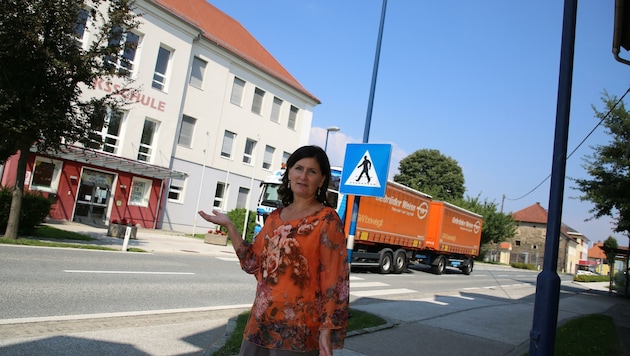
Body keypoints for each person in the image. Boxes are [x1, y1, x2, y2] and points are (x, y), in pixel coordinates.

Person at [198, 145, 349, 356]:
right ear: (289, 173)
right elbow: (251, 262)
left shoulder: (326, 220)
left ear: (322, 180)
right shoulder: (275, 218)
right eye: (298, 168)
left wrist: (326, 329)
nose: (303, 176)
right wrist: (230, 226)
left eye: (312, 171)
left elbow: (335, 279)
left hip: (299, 330)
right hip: (261, 323)